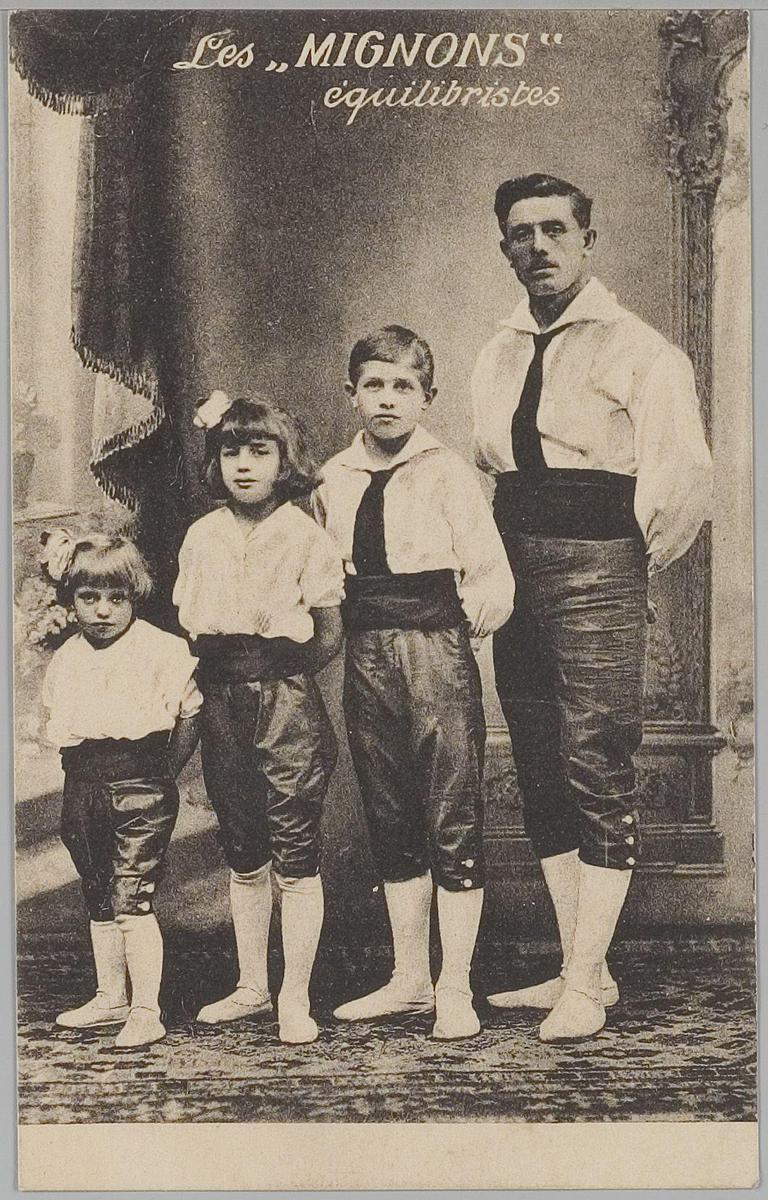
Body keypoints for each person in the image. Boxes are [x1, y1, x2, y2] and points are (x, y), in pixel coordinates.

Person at [471, 173, 713, 1041]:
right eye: (520, 233)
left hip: (601, 561)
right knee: (539, 758)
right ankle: (587, 967)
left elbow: (684, 478)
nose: (537, 246)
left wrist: (620, 564)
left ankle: (581, 983)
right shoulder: (498, 349)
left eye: (554, 230)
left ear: (587, 240)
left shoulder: (643, 351)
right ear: (505, 246)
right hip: (513, 559)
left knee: (595, 758)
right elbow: (490, 463)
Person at [315, 326, 515, 1040]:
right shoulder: (333, 478)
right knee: (389, 807)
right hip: (365, 652)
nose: (388, 399)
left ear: (427, 396)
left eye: (404, 386)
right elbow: (321, 570)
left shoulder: (448, 472)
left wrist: (467, 623)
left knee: (449, 810)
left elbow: (490, 572)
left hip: (435, 651)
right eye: (374, 384)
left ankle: (454, 984)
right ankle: (410, 979)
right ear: (352, 394)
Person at [174, 392, 344, 1045]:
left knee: (294, 854)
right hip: (221, 701)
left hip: (284, 703)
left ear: (284, 460)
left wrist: (281, 674)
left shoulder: (304, 534)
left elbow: (327, 632)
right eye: (231, 452)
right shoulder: (203, 536)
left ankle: (294, 996)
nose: (244, 465)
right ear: (216, 462)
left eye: (259, 451)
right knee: (243, 850)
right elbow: (194, 631)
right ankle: (252, 986)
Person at [41, 532, 202, 1049]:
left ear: (135, 596)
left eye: (117, 597)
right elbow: (61, 724)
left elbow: (190, 715)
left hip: (140, 785)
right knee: (98, 892)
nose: (103, 610)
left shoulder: (162, 650)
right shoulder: (67, 658)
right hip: (83, 784)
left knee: (131, 896)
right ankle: (110, 995)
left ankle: (146, 1010)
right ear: (71, 600)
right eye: (89, 597)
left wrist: (163, 773)